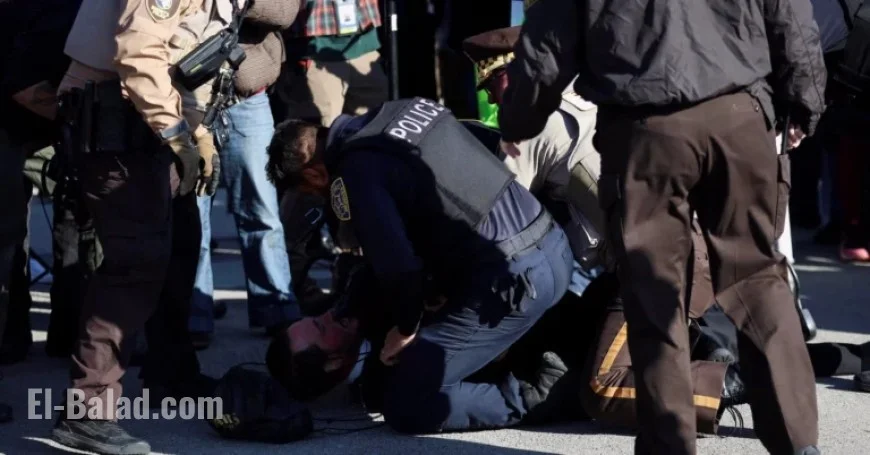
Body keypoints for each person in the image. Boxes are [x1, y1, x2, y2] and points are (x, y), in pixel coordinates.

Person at [497, 0, 827, 454]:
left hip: (645, 127)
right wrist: (804, 99)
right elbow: (790, 15)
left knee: (655, 294)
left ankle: (669, 446)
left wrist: (518, 121)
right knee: (756, 276)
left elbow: (546, 47)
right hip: (739, 115)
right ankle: (798, 443)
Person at [263, 97, 574, 433]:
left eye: (310, 191)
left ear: (314, 172)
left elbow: (398, 269)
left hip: (518, 281)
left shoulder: (357, 172)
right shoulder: (401, 108)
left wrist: (405, 329)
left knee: (409, 404)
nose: (318, 198)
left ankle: (540, 395)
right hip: (552, 245)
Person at [50, 0, 224, 452]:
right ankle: (87, 412)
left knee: (174, 247)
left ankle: (168, 372)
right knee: (134, 264)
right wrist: (178, 134)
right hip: (117, 124)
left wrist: (196, 131)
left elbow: (178, 63)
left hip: (144, 121)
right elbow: (140, 51)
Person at [191, 0, 302, 349]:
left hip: (246, 95)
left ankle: (277, 308)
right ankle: (194, 315)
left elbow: (285, 11)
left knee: (263, 211)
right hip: (185, 99)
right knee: (192, 218)